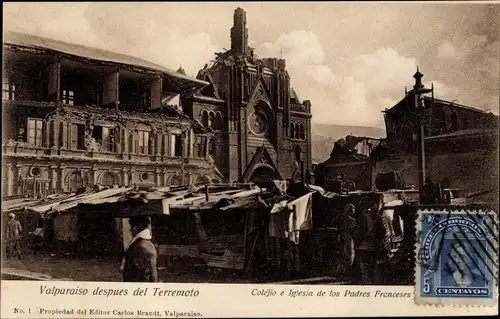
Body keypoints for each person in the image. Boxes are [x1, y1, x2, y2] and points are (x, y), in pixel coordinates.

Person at [120, 216, 158, 282]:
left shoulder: (141, 245)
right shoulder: (146, 241)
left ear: (140, 226)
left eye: (132, 226)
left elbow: (142, 272)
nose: (131, 229)